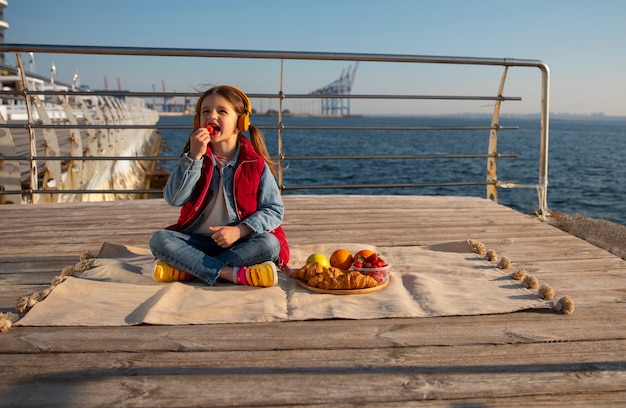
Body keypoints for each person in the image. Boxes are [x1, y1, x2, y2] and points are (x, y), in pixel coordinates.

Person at [149, 85, 289, 287]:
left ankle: (189, 269)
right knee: (160, 240)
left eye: (221, 111)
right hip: (196, 242)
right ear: (198, 120)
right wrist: (195, 158)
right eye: (206, 111)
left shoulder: (255, 164)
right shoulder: (193, 159)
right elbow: (174, 199)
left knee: (269, 245)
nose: (211, 116)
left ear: (240, 123)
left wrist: (239, 231)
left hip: (238, 244)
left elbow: (274, 210)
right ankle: (230, 274)